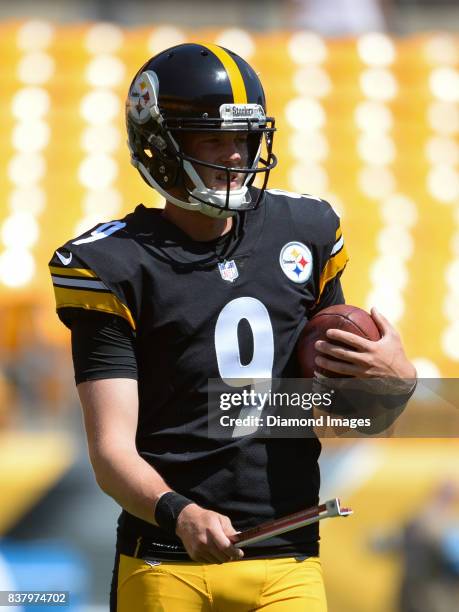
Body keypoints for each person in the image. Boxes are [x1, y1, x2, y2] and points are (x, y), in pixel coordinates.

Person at [49, 43, 416, 612]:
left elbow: (338, 416)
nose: (235, 158)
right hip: (166, 559)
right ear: (163, 147)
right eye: (212, 140)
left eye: (243, 140)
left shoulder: (307, 230)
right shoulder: (111, 264)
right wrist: (182, 512)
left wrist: (393, 387)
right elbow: (110, 451)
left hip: (288, 555)